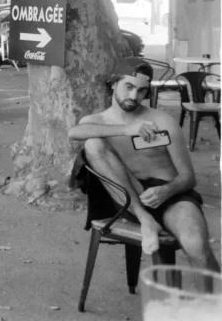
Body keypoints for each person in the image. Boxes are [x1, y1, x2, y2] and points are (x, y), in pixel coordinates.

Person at [68, 57, 220, 271]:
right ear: (113, 83)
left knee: (196, 244)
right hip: (127, 199)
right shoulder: (96, 122)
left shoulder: (161, 121)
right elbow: (74, 133)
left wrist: (167, 190)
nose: (134, 96)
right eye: (128, 87)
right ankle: (146, 220)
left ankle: (214, 301)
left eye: (141, 90)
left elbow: (188, 178)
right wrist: (126, 129)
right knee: (93, 144)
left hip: (170, 198)